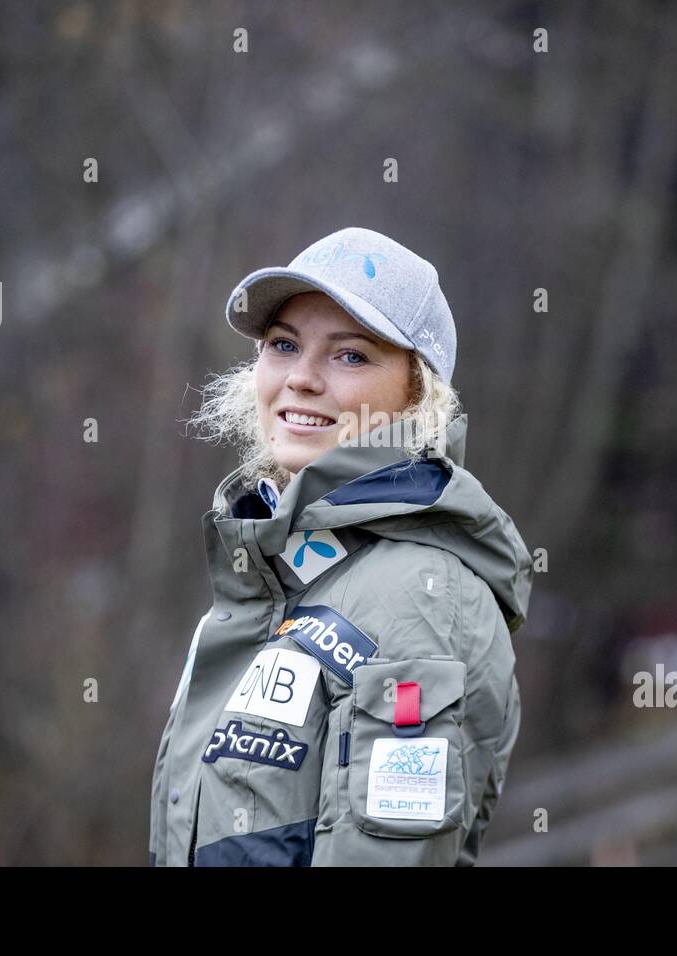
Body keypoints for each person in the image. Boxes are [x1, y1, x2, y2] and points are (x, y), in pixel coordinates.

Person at [148, 226, 533, 866]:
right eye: (282, 345)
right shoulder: (276, 574)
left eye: (349, 355)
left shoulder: (422, 595)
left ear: (420, 394)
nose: (301, 378)